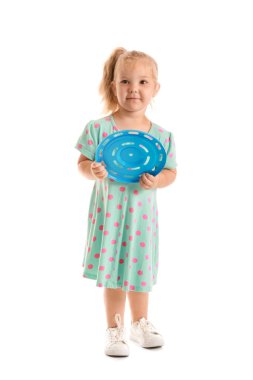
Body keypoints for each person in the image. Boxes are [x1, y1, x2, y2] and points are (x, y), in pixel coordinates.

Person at [75, 47, 177, 357]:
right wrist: (92, 169)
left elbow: (171, 172)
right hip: (111, 217)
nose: (134, 89)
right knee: (113, 273)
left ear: (155, 88)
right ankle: (114, 329)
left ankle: (140, 323)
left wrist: (158, 180)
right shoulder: (98, 129)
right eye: (125, 82)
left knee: (140, 271)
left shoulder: (161, 136)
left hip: (141, 220)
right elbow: (82, 164)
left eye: (143, 82)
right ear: (113, 85)